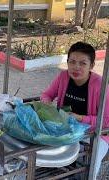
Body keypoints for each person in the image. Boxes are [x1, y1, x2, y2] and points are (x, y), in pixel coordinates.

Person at [41, 41, 109, 176]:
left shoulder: (100, 85)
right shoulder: (63, 76)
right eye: (72, 62)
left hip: (95, 134)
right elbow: (46, 95)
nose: (76, 67)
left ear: (92, 65)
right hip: (65, 128)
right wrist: (47, 103)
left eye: (83, 63)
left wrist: (81, 118)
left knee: (90, 165)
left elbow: (106, 121)